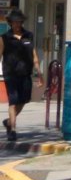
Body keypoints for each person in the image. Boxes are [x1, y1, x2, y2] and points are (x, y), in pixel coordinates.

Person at [2, 10, 40, 143]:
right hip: (10, 74)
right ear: (10, 23)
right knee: (13, 101)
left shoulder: (28, 35)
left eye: (19, 22)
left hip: (25, 73)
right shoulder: (4, 38)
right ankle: (12, 129)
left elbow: (34, 54)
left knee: (24, 100)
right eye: (14, 22)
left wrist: (38, 72)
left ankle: (8, 121)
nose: (17, 24)